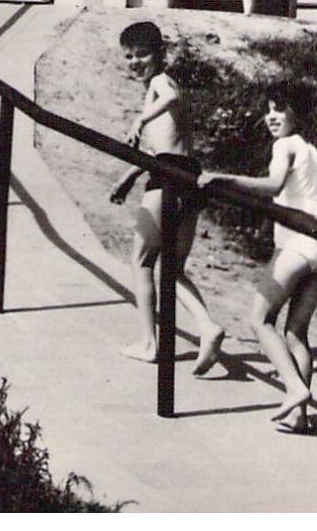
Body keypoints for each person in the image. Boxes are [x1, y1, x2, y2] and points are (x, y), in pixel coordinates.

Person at [199, 80, 317, 434]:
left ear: (297, 115)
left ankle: (294, 388)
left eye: (280, 110)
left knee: (259, 319)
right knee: (297, 333)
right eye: (268, 110)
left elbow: (273, 186)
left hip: (298, 241)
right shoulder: (312, 150)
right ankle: (299, 416)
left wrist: (223, 178)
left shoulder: (284, 145)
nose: (271, 117)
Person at [108, 21, 225, 373]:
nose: (135, 62)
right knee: (171, 269)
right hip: (187, 176)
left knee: (141, 261)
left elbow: (170, 98)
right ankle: (207, 326)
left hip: (168, 179)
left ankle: (149, 343)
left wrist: (140, 120)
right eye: (128, 56)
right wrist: (129, 177)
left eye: (142, 54)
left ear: (160, 54)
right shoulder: (158, 88)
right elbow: (166, 150)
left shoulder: (161, 82)